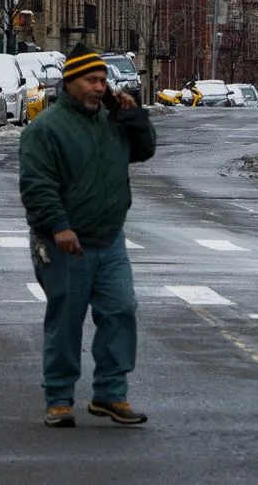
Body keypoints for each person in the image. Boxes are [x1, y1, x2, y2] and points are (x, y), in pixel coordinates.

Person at [18, 44, 158, 428]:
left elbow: (145, 150)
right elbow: (37, 184)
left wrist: (131, 114)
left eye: (103, 80)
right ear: (70, 83)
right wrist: (58, 226)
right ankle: (59, 398)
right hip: (64, 243)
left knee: (120, 310)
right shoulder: (45, 130)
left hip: (109, 238)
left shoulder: (111, 121)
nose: (99, 87)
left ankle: (111, 395)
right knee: (66, 320)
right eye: (91, 80)